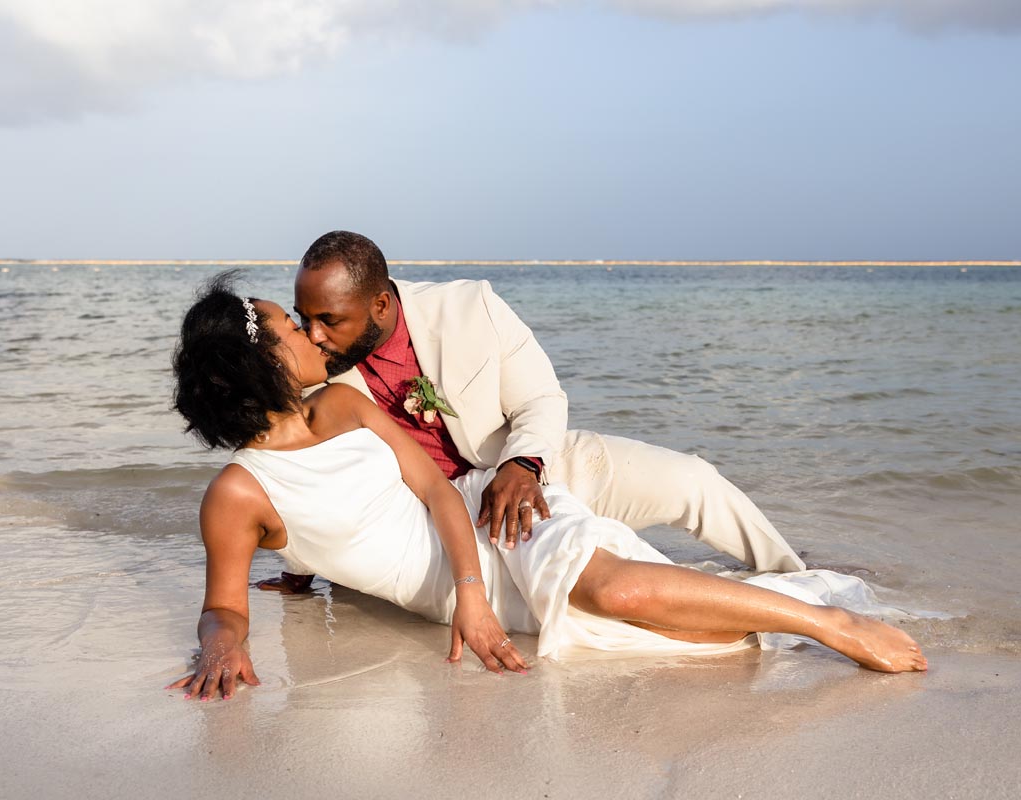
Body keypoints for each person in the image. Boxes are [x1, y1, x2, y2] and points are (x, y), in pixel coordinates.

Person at [165, 274, 926, 701]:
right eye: (290, 326)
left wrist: (470, 592)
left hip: (490, 522)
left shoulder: (339, 404)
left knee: (621, 592)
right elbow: (224, 606)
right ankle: (787, 600)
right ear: (260, 364)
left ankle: (830, 623)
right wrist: (220, 647)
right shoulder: (237, 495)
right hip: (470, 596)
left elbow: (438, 492)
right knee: (689, 639)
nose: (311, 333)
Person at [289, 231, 804, 574]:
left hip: (532, 468)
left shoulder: (469, 306)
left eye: (329, 320)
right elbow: (307, 469)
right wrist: (301, 569)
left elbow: (539, 397)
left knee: (694, 480)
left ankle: (797, 576)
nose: (313, 334)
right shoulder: (314, 372)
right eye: (302, 317)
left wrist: (522, 464)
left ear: (381, 304)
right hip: (443, 525)